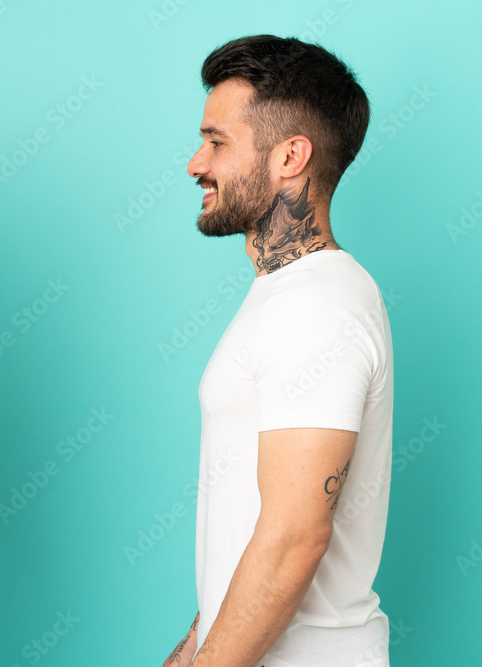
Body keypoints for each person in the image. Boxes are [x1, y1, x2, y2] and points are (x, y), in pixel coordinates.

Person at [163, 36, 394, 667]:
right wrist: (193, 647)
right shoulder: (287, 295)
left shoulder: (317, 304)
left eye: (217, 142)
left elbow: (295, 537)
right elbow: (251, 521)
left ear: (291, 156)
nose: (195, 163)